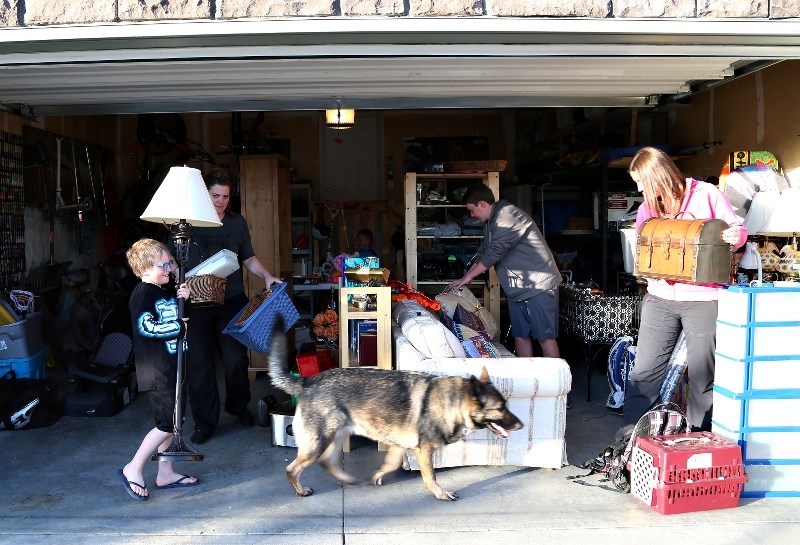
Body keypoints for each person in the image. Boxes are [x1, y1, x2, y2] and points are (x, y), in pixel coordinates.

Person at [620, 147, 746, 435]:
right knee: (644, 374)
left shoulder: (707, 194)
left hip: (703, 299)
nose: (639, 189)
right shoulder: (647, 208)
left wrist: (733, 236)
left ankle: (698, 441)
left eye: (641, 182)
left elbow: (738, 231)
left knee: (703, 377)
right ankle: (630, 442)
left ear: (659, 176)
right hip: (660, 298)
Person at [183, 168, 281, 445]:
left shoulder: (237, 223)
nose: (220, 201)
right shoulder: (187, 224)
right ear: (206, 194)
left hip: (232, 301)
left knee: (235, 360)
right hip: (197, 304)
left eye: (225, 196)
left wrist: (267, 275)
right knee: (200, 366)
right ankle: (204, 422)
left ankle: (238, 407)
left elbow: (248, 257)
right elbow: (173, 263)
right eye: (215, 195)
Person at [118, 238, 198, 501]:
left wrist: (185, 301)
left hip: (173, 365)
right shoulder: (143, 293)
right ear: (143, 270)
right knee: (165, 424)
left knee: (175, 422)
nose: (168, 269)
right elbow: (146, 327)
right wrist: (179, 327)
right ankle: (134, 467)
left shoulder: (164, 291)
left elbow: (180, 319)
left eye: (170, 263)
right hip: (157, 369)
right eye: (162, 265)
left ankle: (165, 472)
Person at [445, 183, 562, 359]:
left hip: (538, 286)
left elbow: (495, 252)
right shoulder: (491, 222)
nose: (472, 215)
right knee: (520, 337)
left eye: (472, 210)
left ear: (482, 204)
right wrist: (465, 276)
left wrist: (467, 277)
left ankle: (558, 385)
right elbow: (484, 250)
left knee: (545, 338)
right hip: (517, 289)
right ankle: (526, 384)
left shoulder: (508, 216)